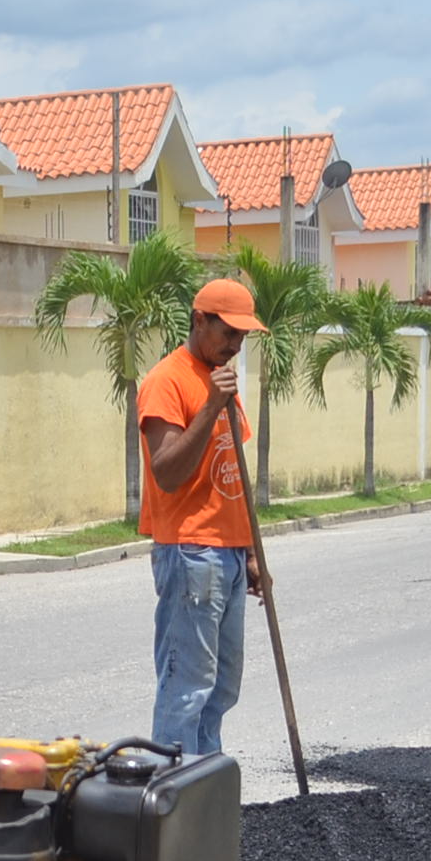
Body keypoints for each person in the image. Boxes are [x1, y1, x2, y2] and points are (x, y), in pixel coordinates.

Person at [135, 277, 273, 757]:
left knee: (220, 690)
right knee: (186, 690)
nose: (234, 346)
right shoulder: (167, 382)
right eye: (227, 333)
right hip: (191, 552)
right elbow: (167, 472)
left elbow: (231, 471)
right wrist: (211, 405)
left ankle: (206, 791)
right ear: (199, 320)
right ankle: (175, 806)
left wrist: (250, 552)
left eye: (241, 337)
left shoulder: (220, 380)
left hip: (229, 555)